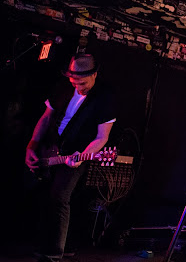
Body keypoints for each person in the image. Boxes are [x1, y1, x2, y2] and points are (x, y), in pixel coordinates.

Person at [25, 53, 117, 262]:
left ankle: (53, 254)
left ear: (95, 74)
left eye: (83, 82)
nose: (78, 87)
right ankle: (53, 245)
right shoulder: (63, 87)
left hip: (77, 153)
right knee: (43, 196)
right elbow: (46, 117)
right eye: (73, 81)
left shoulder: (105, 96)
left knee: (60, 197)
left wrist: (82, 156)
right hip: (49, 149)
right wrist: (32, 145)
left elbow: (102, 137)